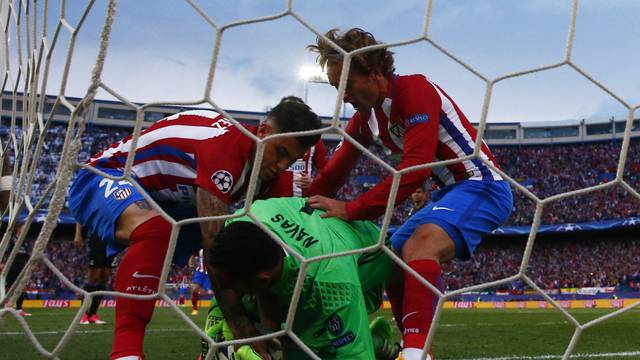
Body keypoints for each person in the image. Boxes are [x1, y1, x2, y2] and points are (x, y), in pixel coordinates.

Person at [306, 28, 513, 359]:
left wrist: (354, 208)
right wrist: (300, 208)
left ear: (373, 73)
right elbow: (335, 172)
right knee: (393, 259)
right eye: (336, 88)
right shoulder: (366, 119)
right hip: (448, 193)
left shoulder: (415, 90)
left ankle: (414, 354)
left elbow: (415, 167)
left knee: (419, 245)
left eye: (345, 85)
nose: (341, 96)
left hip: (483, 183)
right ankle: (417, 348)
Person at [67, 97, 321, 360]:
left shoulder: (270, 177)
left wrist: (270, 327)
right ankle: (125, 354)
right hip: (106, 175)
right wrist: (237, 321)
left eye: (291, 160)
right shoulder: (228, 148)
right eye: (280, 153)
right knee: (166, 231)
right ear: (263, 132)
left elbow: (265, 255)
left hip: (167, 203)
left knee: (248, 246)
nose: (282, 166)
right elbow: (214, 245)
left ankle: (230, 334)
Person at [205, 197, 398, 360]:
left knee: (301, 346)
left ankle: (375, 342)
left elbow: (355, 356)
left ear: (261, 281)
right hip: (310, 252)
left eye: (231, 285)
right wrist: (241, 325)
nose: (224, 287)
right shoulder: (243, 221)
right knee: (221, 312)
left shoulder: (333, 285)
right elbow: (222, 273)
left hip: (370, 257)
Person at [74, 223, 115, 325]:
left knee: (105, 277)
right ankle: (83, 314)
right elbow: (79, 217)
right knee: (94, 278)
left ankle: (93, 314)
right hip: (96, 237)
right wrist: (78, 234)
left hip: (111, 239)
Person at [1, 223, 31, 316]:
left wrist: (29, 265)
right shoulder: (11, 239)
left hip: (21, 267)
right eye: (24, 227)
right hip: (11, 266)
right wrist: (2, 263)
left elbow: (27, 255)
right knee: (8, 287)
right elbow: (4, 251)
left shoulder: (25, 241)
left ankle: (19, 309)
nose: (26, 228)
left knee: (21, 287)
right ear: (18, 229)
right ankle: (3, 305)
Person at [188, 248, 211, 315]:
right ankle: (195, 308)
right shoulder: (201, 251)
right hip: (200, 273)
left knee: (206, 292)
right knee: (194, 290)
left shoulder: (216, 250)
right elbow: (192, 257)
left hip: (209, 274)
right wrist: (191, 265)